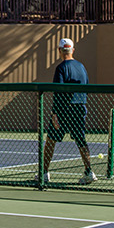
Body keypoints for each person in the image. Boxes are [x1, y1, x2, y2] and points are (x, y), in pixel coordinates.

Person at [40, 37, 97, 185]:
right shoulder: (81, 67)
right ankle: (89, 171)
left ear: (59, 50)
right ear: (73, 50)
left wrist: (55, 114)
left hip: (63, 110)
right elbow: (86, 86)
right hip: (79, 108)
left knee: (51, 140)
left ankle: (44, 173)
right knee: (81, 140)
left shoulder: (61, 68)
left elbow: (58, 92)